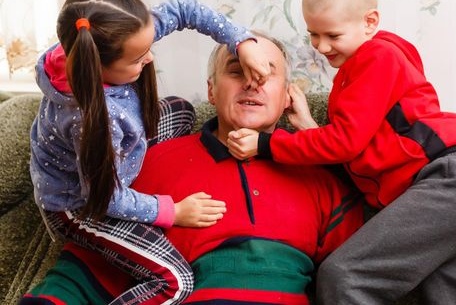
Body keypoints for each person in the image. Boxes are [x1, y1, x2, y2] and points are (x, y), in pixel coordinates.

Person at [22, 32, 364, 305]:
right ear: (211, 91)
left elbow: (355, 280)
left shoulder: (322, 177)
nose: (251, 83)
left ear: (287, 96)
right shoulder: (150, 162)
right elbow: (93, 264)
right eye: (235, 70)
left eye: (266, 74)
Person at [227, 0, 456, 305]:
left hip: (444, 185)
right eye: (313, 34)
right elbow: (359, 144)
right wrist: (310, 128)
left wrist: (267, 144)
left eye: (332, 35)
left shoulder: (376, 57)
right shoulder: (367, 67)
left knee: (344, 276)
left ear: (370, 22)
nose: (321, 47)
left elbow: (345, 142)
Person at [26, 0, 272, 305]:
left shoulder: (111, 34)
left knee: (181, 110)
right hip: (83, 205)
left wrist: (240, 41)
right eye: (137, 59)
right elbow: (109, 198)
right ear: (97, 66)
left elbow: (185, 9)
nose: (150, 58)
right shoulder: (94, 120)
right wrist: (172, 210)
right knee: (175, 282)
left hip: (109, 156)